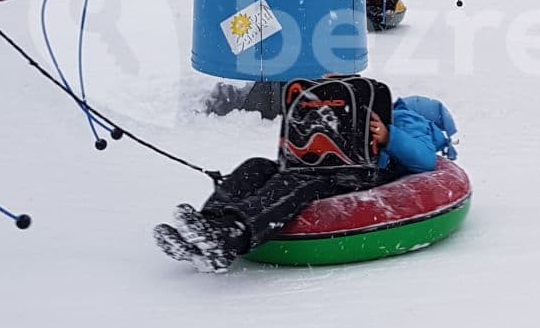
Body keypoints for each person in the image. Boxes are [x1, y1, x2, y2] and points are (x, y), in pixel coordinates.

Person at [154, 76, 456, 272]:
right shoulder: (374, 106)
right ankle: (207, 224)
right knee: (258, 166)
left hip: (361, 177)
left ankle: (229, 237)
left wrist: (390, 136)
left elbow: (425, 162)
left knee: (297, 185)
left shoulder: (410, 120)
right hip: (327, 165)